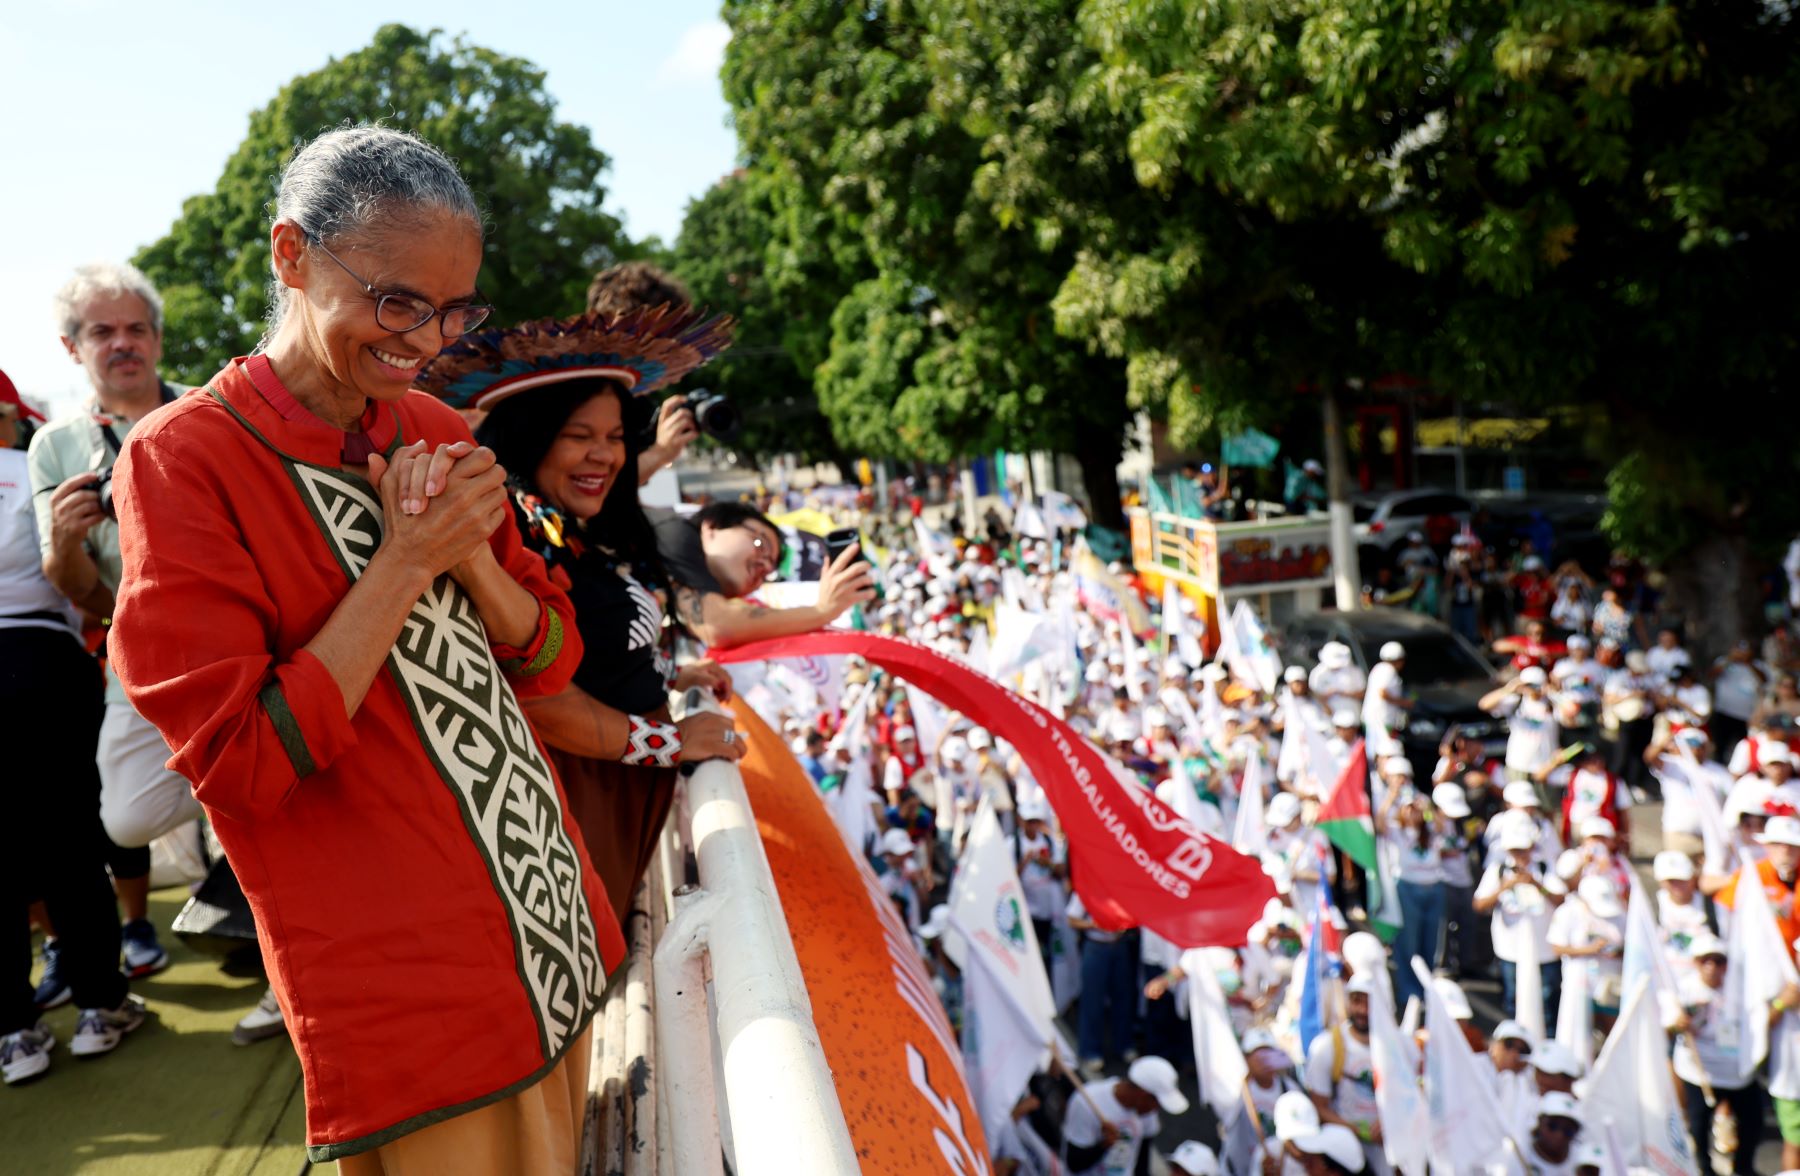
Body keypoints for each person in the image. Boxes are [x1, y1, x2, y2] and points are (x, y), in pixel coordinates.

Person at [107, 125, 619, 1170]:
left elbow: (553, 658)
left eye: (455, 309)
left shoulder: (431, 420)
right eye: (397, 302)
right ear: (291, 256)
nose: (427, 340)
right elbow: (239, 765)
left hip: (556, 926)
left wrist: (472, 560)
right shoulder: (183, 459)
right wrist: (405, 562)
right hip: (418, 1004)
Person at [416, 305, 748, 928]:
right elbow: (538, 699)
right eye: (579, 435)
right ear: (532, 436)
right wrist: (672, 740)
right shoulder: (513, 536)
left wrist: (672, 676)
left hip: (612, 815)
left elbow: (590, 651)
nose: (604, 455)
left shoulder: (574, 531)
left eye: (616, 436)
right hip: (564, 829)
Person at [28, 263, 197, 991]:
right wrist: (67, 539)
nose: (123, 344)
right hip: (138, 650)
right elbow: (66, 583)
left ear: (158, 338)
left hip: (247, 638)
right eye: (103, 331)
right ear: (73, 348)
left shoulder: (208, 410)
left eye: (136, 328)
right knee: (125, 821)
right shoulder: (56, 447)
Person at [2, 414, 137, 1084]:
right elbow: (76, 582)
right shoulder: (30, 468)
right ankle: (98, 1004)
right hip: (42, 658)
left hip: (40, 653)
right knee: (72, 839)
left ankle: (14, 1031)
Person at [657, 499, 875, 649]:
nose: (764, 567)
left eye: (769, 572)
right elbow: (717, 626)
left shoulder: (684, 621)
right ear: (712, 527)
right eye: (760, 543)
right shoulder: (674, 533)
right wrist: (822, 611)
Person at [583, 261, 705, 486]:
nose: (670, 349)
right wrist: (661, 453)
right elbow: (594, 489)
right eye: (662, 336)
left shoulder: (637, 399)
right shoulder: (568, 391)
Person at [1666, 933, 1769, 1173]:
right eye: (1705, 961)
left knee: (1753, 1123)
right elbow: (1667, 1026)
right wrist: (1677, 1023)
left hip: (1737, 1074)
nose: (1712, 967)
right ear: (1696, 962)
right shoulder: (1684, 990)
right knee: (1699, 1124)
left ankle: (1743, 1167)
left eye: (1718, 961)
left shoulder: (1740, 989)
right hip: (1700, 1072)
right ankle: (1704, 1167)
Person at [1473, 824, 1566, 1028]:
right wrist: (1503, 887)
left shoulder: (1545, 867)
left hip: (1545, 951)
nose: (1519, 855)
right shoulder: (1497, 870)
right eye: (1514, 850)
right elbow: (1479, 904)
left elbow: (1561, 900)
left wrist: (1536, 885)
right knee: (1514, 1002)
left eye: (1523, 849)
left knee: (1548, 1005)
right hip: (1511, 951)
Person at [1303, 975, 1386, 1175]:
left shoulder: (1398, 1047)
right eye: (1357, 1001)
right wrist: (1356, 1130)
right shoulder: (1327, 1046)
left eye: (1369, 1003)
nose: (1363, 1010)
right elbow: (1319, 1106)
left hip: (1388, 1150)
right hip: (1345, 1153)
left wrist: (1389, 1123)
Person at [1060, 1055, 1188, 1175]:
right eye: (1158, 1104)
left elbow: (1142, 1157)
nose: (1156, 1110)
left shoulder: (1147, 1111)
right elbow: (1074, 1164)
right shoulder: (1085, 1103)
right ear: (1143, 1095)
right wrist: (1103, 1145)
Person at [1489, 1091, 1584, 1176]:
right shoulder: (1515, 1154)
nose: (1559, 1135)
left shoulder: (1582, 1162)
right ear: (1539, 1122)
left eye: (1568, 1131)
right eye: (1553, 1126)